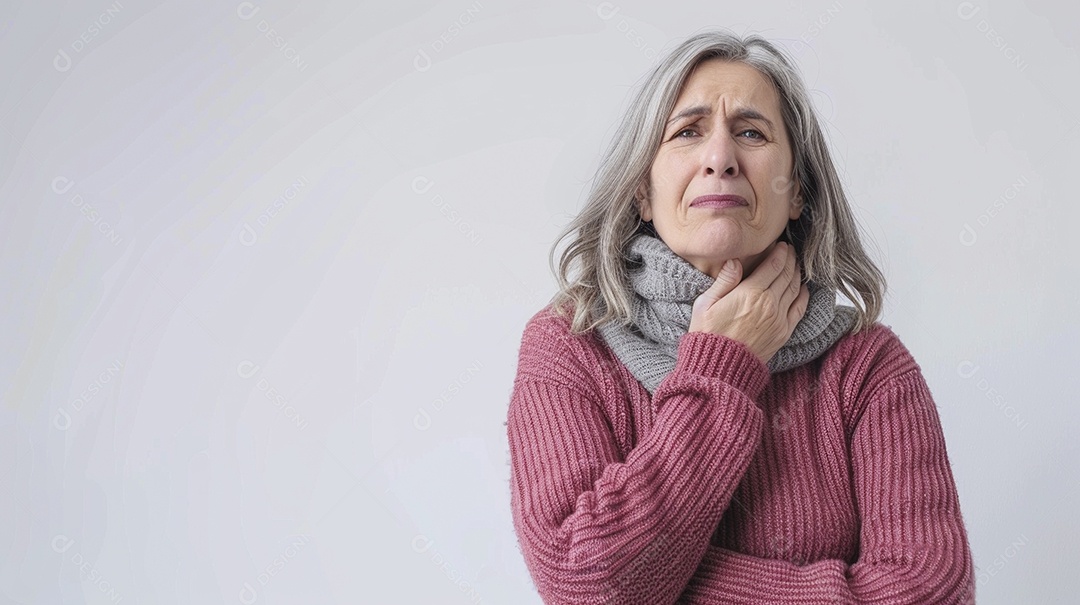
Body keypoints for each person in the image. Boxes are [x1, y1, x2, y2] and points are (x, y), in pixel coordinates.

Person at [505, 29, 976, 604]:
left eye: (751, 132)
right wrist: (727, 364)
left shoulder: (869, 365)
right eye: (687, 132)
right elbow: (585, 584)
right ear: (643, 194)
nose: (720, 158)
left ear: (798, 190)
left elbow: (932, 594)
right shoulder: (570, 344)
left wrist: (662, 583)